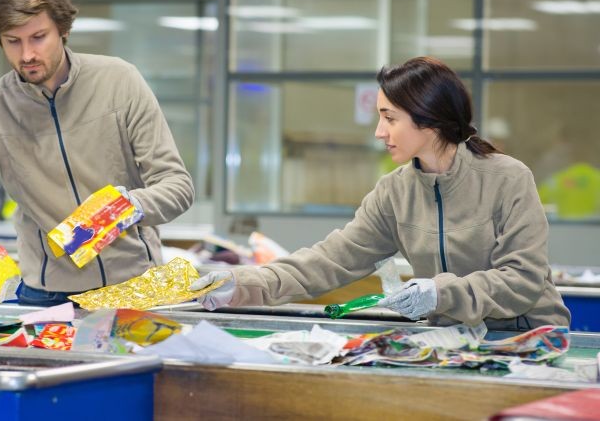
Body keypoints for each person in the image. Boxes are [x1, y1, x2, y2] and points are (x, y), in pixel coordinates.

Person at [192, 57, 570, 331]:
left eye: (390, 119)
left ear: (429, 120)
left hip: (528, 339)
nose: (379, 131)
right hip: (454, 341)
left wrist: (440, 293)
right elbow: (329, 261)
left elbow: (522, 280)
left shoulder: (508, 178)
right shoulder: (395, 191)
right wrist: (241, 284)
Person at [0, 0, 194, 305]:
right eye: (13, 41)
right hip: (46, 296)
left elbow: (177, 185)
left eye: (38, 37)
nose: (27, 54)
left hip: (134, 287)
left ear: (63, 30)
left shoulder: (120, 81)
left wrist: (130, 206)